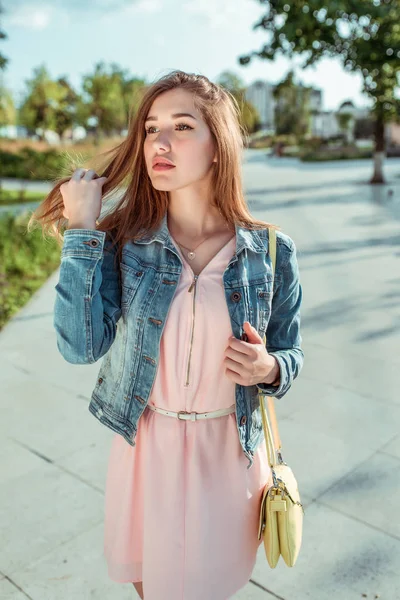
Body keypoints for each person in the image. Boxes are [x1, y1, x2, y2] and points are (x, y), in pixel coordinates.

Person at [28, 70, 304, 600]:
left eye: (181, 126)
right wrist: (83, 233)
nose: (159, 141)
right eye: (151, 128)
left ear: (218, 146)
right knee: (151, 587)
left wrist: (270, 368)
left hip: (228, 454)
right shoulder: (123, 243)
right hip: (144, 450)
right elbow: (78, 347)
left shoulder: (272, 252)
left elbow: (291, 353)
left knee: (211, 586)